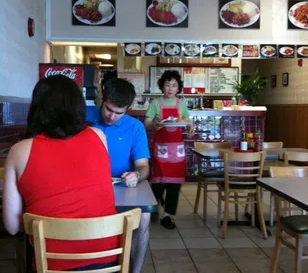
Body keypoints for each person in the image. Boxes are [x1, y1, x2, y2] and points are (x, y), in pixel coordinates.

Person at [3, 75, 118, 272]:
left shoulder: (19, 151)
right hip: (106, 259)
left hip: (51, 264)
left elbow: (11, 226)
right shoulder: (99, 136)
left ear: (37, 108)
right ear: (78, 106)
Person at [92, 78, 150, 273]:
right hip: (88, 187)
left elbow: (143, 166)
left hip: (120, 187)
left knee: (144, 217)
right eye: (108, 109)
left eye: (119, 113)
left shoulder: (135, 127)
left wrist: (136, 175)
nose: (111, 117)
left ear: (128, 108)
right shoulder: (83, 119)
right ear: (102, 97)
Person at [144, 70, 194, 230]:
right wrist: (154, 124)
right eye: (167, 84)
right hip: (161, 150)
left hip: (177, 151)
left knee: (174, 185)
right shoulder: (155, 103)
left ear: (178, 88)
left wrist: (190, 126)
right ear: (162, 86)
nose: (171, 88)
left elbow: (186, 119)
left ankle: (168, 215)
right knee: (158, 183)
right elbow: (147, 122)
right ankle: (154, 207)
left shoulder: (181, 103)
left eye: (174, 85)